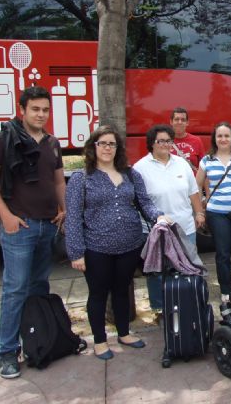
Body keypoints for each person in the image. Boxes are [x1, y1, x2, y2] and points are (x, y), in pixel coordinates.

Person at [0, 86, 66, 379]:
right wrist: (6, 216)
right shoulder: (4, 139)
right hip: (20, 227)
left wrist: (63, 209)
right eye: (35, 109)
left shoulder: (53, 143)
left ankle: (37, 341)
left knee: (38, 286)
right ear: (23, 110)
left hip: (47, 226)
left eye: (45, 110)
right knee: (15, 289)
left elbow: (58, 183)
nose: (41, 114)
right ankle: (6, 352)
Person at [65, 125, 170, 360]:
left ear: (117, 148)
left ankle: (124, 333)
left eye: (111, 144)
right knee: (98, 294)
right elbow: (73, 218)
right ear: (93, 147)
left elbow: (145, 203)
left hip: (129, 245)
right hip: (96, 248)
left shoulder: (130, 174)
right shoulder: (81, 179)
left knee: (122, 290)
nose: (107, 148)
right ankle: (100, 341)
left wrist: (158, 216)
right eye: (102, 143)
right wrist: (76, 252)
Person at [133, 124, 205, 317]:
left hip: (185, 228)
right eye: (161, 141)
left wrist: (199, 213)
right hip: (156, 231)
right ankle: (160, 309)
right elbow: (139, 200)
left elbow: (193, 192)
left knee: (188, 267)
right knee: (157, 271)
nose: (165, 145)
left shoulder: (181, 163)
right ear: (151, 144)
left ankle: (186, 303)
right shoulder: (140, 168)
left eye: (168, 141)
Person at [196, 122, 231, 302]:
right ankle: (226, 291)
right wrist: (201, 206)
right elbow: (197, 184)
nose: (223, 139)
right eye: (219, 136)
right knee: (223, 253)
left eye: (226, 136)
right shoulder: (206, 160)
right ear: (214, 138)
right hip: (217, 212)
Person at [169, 107, 205, 174]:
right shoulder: (165, 141)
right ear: (171, 122)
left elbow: (203, 166)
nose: (180, 122)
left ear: (187, 123)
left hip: (192, 183)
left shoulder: (197, 141)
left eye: (183, 120)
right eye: (176, 119)